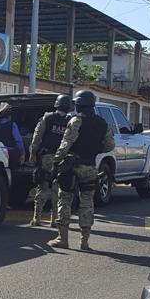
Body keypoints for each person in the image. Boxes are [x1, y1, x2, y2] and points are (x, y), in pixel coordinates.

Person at [49, 90, 114, 251]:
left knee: (64, 199)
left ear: (78, 105)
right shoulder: (102, 122)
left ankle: (62, 238)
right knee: (87, 202)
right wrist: (94, 149)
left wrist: (56, 161)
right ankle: (84, 241)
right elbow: (109, 146)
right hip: (90, 166)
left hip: (72, 165)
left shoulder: (76, 121)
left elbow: (66, 144)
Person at [28, 94, 72, 227]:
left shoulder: (47, 118)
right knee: (57, 190)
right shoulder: (71, 121)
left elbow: (37, 136)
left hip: (46, 157)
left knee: (43, 186)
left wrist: (32, 152)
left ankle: (37, 218)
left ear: (56, 105)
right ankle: (54, 219)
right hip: (63, 159)